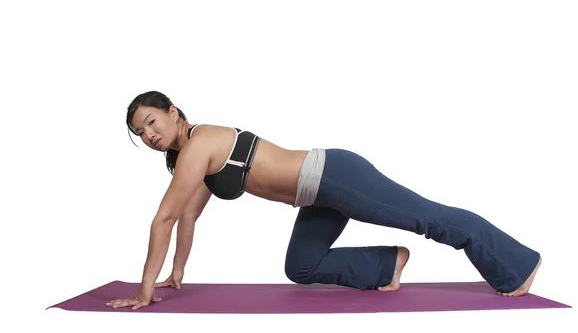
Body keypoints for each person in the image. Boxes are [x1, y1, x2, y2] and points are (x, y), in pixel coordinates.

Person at [106, 90, 542, 310]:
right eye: (140, 133)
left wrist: (144, 292)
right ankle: (386, 265)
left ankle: (517, 265)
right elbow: (185, 217)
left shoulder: (199, 144)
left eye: (151, 122)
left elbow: (161, 219)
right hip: (316, 195)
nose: (149, 135)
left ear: (174, 113)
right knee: (301, 267)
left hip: (335, 176)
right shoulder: (191, 157)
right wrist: (175, 273)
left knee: (429, 218)